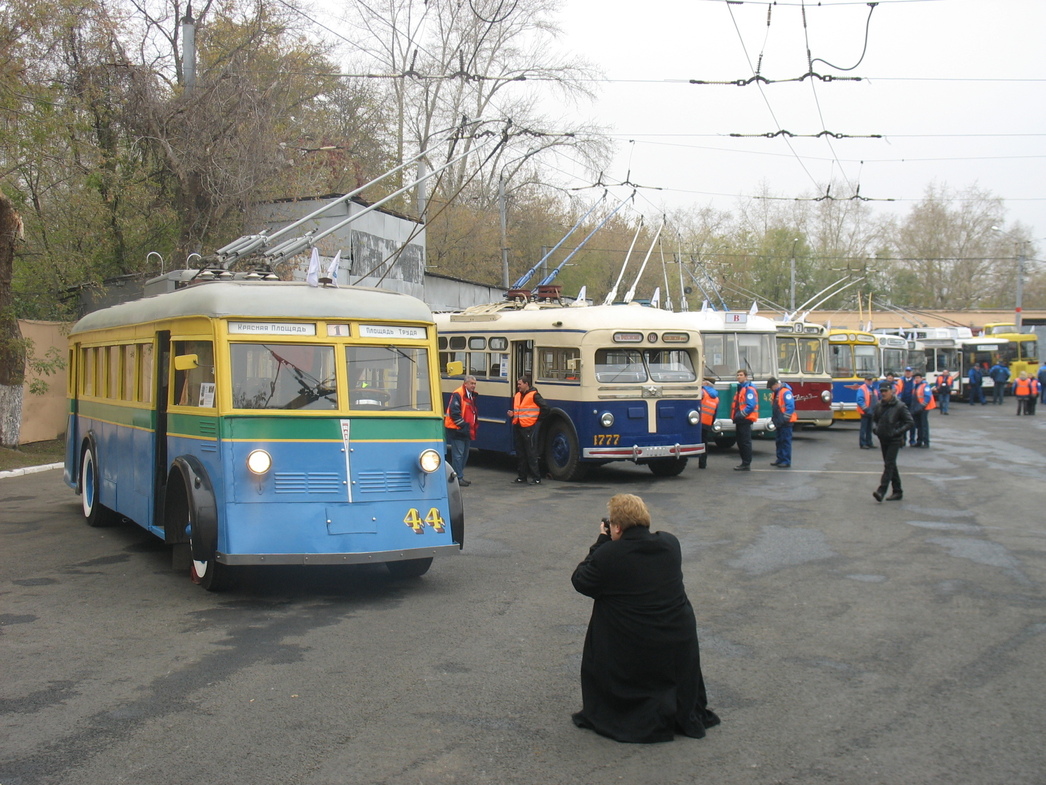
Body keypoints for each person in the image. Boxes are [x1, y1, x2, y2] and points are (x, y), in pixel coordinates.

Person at [570, 493, 721, 743]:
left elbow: (581, 580)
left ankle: (626, 708)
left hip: (634, 646)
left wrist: (601, 541)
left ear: (616, 527)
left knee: (608, 609)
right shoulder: (670, 544)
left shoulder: (609, 555)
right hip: (676, 643)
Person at [872, 380, 914, 503]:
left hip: (894, 440)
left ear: (892, 391)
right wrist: (876, 429)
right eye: (882, 391)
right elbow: (874, 420)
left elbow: (910, 422)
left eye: (885, 391)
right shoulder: (879, 406)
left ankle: (881, 490)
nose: (883, 393)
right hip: (883, 438)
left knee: (889, 464)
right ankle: (897, 491)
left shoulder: (900, 406)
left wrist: (896, 432)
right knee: (891, 465)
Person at [508, 375, 548, 484]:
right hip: (519, 425)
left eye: (520, 384)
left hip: (529, 427)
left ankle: (536, 478)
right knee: (521, 452)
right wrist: (513, 414)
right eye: (518, 384)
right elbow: (521, 410)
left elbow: (545, 408)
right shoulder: (517, 395)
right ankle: (522, 476)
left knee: (531, 452)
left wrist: (537, 420)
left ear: (526, 384)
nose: (518, 386)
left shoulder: (534, 395)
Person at [444, 375, 478, 486]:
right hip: (457, 429)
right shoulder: (458, 394)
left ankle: (459, 475)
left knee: (464, 455)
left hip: (465, 429)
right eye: (471, 383)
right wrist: (464, 425)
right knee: (458, 455)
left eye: (474, 383)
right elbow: (454, 413)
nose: (473, 386)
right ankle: (457, 478)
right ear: (465, 384)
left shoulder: (470, 395)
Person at [731, 369, 758, 471]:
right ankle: (744, 462)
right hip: (740, 419)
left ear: (746, 377)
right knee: (740, 441)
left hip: (745, 419)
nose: (739, 377)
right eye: (737, 375)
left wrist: (741, 414)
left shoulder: (748, 389)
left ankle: (746, 463)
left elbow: (751, 405)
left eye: (741, 375)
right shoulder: (741, 388)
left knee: (745, 442)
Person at [768, 376, 796, 467]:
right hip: (779, 421)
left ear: (775, 385)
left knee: (785, 441)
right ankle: (780, 459)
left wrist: (785, 418)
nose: (771, 390)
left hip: (785, 422)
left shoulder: (785, 392)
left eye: (771, 387)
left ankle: (786, 460)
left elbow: (790, 407)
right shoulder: (777, 393)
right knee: (779, 441)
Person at [697, 377, 719, 469]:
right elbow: (715, 413)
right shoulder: (716, 397)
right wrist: (711, 423)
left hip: (698, 421)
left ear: (706, 384)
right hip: (707, 422)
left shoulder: (702, 393)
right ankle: (703, 463)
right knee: (704, 443)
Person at [910, 372, 935, 447]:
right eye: (915, 378)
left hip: (924, 408)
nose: (916, 379)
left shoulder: (925, 386)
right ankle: (919, 441)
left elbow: (927, 397)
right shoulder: (916, 386)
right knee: (919, 425)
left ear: (921, 378)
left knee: (924, 425)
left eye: (918, 378)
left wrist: (922, 406)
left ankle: (926, 442)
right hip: (917, 408)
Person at [856, 374, 880, 449]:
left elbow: (877, 399)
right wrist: (866, 409)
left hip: (872, 411)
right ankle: (863, 443)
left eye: (870, 380)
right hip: (865, 412)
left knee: (869, 428)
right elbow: (859, 400)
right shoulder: (862, 388)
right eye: (868, 380)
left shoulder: (873, 389)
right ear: (865, 381)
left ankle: (869, 442)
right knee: (864, 428)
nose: (869, 381)